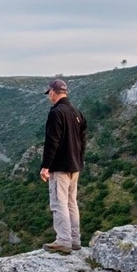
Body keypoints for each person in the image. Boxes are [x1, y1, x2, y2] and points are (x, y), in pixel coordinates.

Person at [38, 79, 87, 253]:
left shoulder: (56, 113)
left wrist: (46, 166)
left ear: (52, 92)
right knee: (71, 203)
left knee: (59, 203)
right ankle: (75, 240)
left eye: (49, 93)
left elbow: (52, 141)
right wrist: (79, 161)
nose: (49, 96)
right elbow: (82, 142)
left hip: (60, 167)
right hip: (75, 166)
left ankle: (63, 240)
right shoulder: (77, 113)